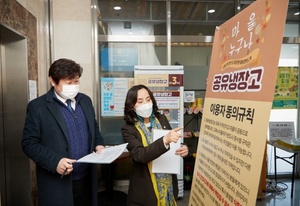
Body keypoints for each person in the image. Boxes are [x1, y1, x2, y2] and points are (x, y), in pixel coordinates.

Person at [21, 58, 105, 206]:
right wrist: (55, 162)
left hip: (86, 180)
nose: (73, 86)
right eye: (68, 82)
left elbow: (94, 129)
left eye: (76, 81)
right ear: (53, 81)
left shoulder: (85, 101)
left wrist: (99, 144)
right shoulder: (38, 107)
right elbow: (29, 143)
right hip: (57, 184)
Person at [121, 84, 189, 206]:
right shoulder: (128, 129)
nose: (146, 104)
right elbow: (140, 155)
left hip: (168, 185)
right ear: (132, 106)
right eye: (140, 101)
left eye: (148, 99)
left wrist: (183, 147)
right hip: (145, 191)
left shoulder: (161, 119)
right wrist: (164, 140)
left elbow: (172, 141)